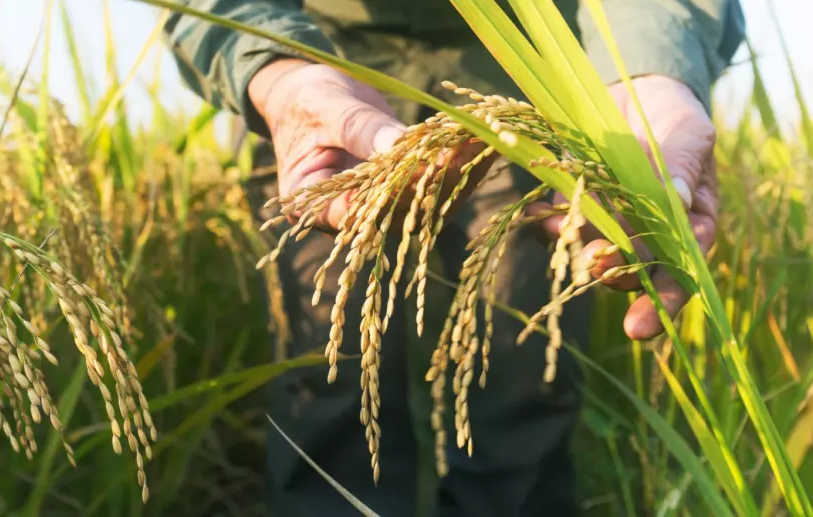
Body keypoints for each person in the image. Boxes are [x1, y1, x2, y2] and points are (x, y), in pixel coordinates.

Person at [163, 1, 745, 515]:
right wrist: (276, 68)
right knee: (325, 370)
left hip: (520, 69)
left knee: (520, 370)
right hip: (315, 59)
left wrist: (649, 75)